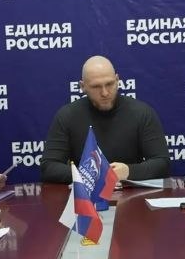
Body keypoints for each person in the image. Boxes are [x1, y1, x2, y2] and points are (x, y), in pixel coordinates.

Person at [40, 55, 170, 183]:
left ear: (117, 80)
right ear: (82, 86)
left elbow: (162, 163)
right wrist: (89, 175)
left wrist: (129, 171)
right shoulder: (67, 116)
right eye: (96, 87)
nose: (105, 93)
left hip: (131, 192)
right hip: (86, 193)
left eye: (109, 84)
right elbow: (49, 167)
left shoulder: (142, 113)